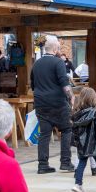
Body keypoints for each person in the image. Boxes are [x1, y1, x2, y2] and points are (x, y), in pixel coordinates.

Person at [31, 35, 73, 173]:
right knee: (66, 130)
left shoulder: (36, 64)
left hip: (41, 104)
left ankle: (42, 165)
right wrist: (72, 99)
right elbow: (64, 85)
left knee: (44, 134)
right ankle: (65, 162)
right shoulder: (58, 62)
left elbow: (33, 85)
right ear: (55, 49)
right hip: (58, 104)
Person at [70, 87, 96, 192]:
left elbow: (74, 130)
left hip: (82, 144)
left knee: (81, 164)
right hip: (95, 143)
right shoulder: (95, 112)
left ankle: (78, 184)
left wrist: (76, 142)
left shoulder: (77, 114)